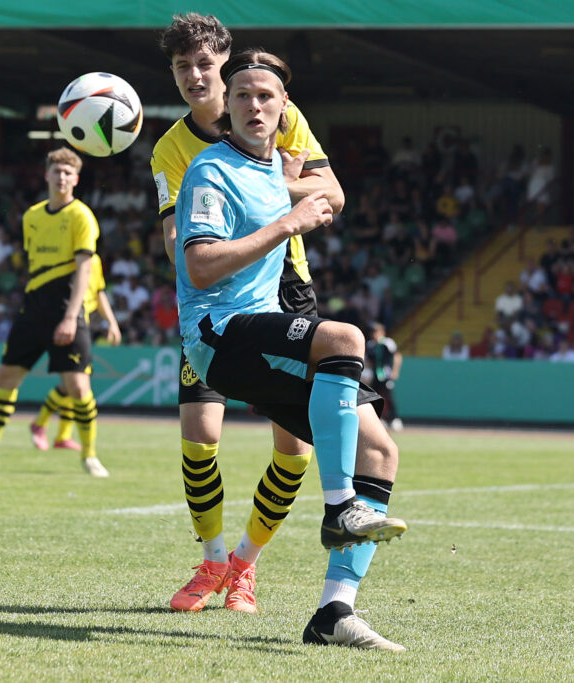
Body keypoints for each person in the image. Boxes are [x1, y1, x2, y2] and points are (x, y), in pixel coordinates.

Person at [152, 15, 401, 631]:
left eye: (204, 65)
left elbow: (333, 195)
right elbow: (185, 250)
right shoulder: (184, 154)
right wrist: (282, 206)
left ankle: (328, 606)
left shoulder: (278, 121)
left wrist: (281, 190)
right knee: (201, 434)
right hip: (218, 309)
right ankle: (216, 559)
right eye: (183, 67)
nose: (194, 77)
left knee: (369, 448)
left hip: (285, 292)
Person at [0, 148, 108, 476]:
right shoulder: (31, 216)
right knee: (5, 377)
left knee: (78, 388)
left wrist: (69, 317)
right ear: (46, 175)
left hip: (67, 311)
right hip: (33, 309)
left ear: (75, 179)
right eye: (56, 171)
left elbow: (84, 271)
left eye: (67, 173)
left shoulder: (82, 216)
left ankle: (89, 455)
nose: (61, 177)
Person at [30, 253, 122, 453]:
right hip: (69, 323)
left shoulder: (94, 260)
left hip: (84, 324)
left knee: (72, 384)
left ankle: (59, 434)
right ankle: (43, 425)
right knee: (77, 384)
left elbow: (99, 292)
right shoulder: (65, 259)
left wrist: (112, 322)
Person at [366, 322, 403, 431]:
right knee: (374, 396)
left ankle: (394, 419)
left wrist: (395, 371)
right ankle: (377, 419)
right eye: (373, 332)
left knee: (389, 396)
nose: (374, 335)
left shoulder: (388, 343)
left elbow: (397, 356)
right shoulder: (370, 345)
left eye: (376, 332)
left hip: (386, 374)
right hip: (375, 375)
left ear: (382, 332)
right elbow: (368, 360)